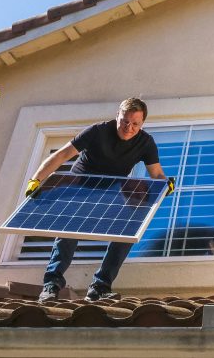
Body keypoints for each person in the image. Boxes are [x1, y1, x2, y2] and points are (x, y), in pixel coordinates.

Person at [27, 97, 170, 303]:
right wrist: (36, 181)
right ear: (117, 117)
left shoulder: (145, 142)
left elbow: (156, 173)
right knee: (69, 230)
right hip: (80, 186)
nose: (128, 127)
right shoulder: (98, 131)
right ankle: (52, 284)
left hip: (110, 190)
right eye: (125, 121)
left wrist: (165, 185)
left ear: (142, 124)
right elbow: (61, 156)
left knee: (128, 229)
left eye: (135, 124)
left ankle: (100, 286)